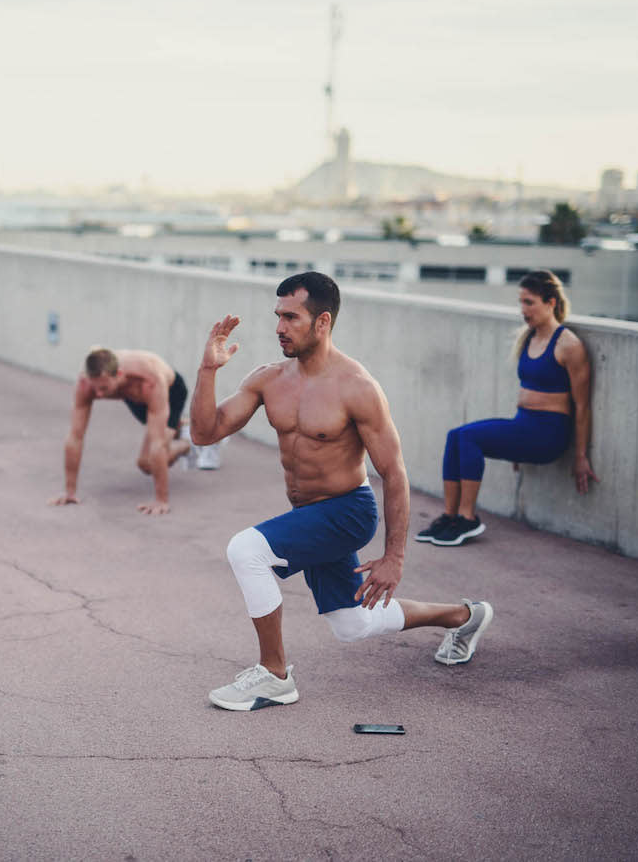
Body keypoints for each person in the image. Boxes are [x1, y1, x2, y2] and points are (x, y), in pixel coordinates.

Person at [191, 272, 494, 711]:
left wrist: (394, 558)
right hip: (309, 514)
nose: (279, 327)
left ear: (322, 322)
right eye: (277, 316)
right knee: (352, 624)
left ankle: (275, 676)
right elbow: (204, 433)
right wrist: (207, 370)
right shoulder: (268, 379)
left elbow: (393, 473)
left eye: (291, 317)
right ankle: (466, 616)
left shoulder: (357, 387)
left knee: (246, 550)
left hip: (348, 512)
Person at [416, 270, 598, 547]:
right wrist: (513, 442)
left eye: (530, 302)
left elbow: (582, 406)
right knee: (455, 435)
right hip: (523, 427)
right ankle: (450, 517)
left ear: (551, 303)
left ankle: (467, 519)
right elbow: (527, 392)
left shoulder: (569, 345)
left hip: (548, 435)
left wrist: (581, 455)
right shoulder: (529, 338)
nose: (523, 310)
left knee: (467, 437)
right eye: (521, 302)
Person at [50, 347, 215, 515]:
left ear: (119, 374)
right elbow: (75, 437)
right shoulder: (86, 383)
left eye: (104, 388)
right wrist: (69, 491)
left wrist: (161, 500)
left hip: (171, 391)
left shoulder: (149, 381)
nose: (99, 395)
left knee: (148, 462)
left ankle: (189, 443)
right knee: (155, 446)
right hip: (133, 397)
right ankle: (184, 429)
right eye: (96, 389)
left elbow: (157, 443)